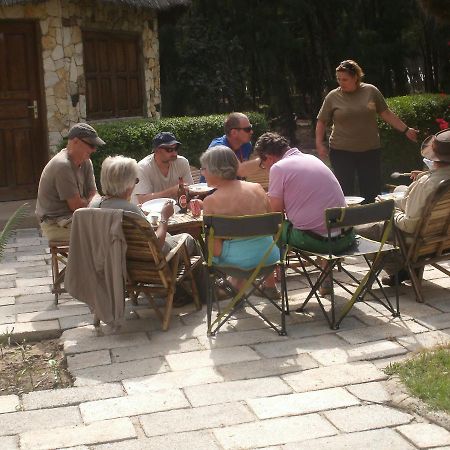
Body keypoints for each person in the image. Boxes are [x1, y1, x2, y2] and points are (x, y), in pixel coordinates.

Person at [91, 155, 206, 305]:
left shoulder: (95, 206)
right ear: (127, 184)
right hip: (150, 263)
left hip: (118, 264)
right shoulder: (130, 210)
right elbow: (157, 244)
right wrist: (164, 217)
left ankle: (181, 291)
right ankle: (202, 293)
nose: (135, 185)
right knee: (188, 239)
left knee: (173, 236)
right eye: (135, 180)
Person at [255, 132, 356, 295]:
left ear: (269, 156)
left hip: (319, 242)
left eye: (262, 162)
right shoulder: (312, 159)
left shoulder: (278, 168)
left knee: (270, 228)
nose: (264, 166)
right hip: (346, 238)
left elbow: (275, 213)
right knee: (321, 223)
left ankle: (270, 286)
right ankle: (326, 277)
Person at [316, 59, 419, 203]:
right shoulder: (333, 96)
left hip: (370, 150)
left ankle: (373, 222)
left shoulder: (371, 91)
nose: (341, 82)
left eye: (345, 79)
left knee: (371, 190)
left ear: (355, 77)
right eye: (338, 79)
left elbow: (386, 113)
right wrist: (319, 143)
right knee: (344, 190)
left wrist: (406, 129)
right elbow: (321, 121)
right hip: (341, 151)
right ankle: (347, 223)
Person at [359, 128, 450, 286]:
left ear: (435, 157)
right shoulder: (432, 181)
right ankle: (407, 268)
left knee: (357, 232)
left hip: (420, 239)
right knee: (400, 190)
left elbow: (409, 224)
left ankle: (399, 269)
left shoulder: (427, 184)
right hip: (443, 238)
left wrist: (391, 211)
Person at [200, 145, 280, 299]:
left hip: (236, 262)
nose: (203, 173)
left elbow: (215, 251)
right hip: (269, 256)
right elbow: (274, 227)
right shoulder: (257, 188)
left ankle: (232, 286)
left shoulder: (211, 201)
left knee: (223, 250)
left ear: (215, 170)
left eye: (204, 169)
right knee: (248, 243)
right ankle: (237, 287)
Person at [35, 122, 104, 241]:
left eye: (95, 146)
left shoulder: (86, 162)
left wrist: (91, 201)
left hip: (75, 218)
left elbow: (94, 194)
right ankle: (88, 260)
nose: (94, 150)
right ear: (75, 141)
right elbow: (76, 205)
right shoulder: (62, 165)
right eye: (91, 145)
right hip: (55, 224)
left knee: (110, 227)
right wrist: (91, 201)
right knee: (102, 234)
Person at [133, 132, 193, 204]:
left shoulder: (182, 162)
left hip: (175, 209)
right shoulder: (142, 168)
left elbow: (190, 190)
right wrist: (171, 192)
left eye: (176, 148)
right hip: (149, 212)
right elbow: (142, 200)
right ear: (157, 150)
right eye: (169, 150)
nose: (174, 153)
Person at [200, 112, 261, 182]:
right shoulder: (219, 148)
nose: (251, 132)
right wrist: (264, 158)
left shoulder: (246, 145)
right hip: (211, 190)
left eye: (251, 127)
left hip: (232, 187)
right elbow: (240, 171)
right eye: (247, 129)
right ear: (234, 132)